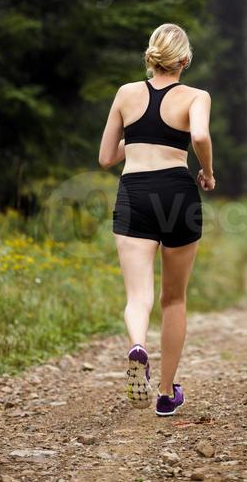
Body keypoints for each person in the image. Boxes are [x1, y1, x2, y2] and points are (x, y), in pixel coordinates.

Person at [98, 23, 215, 415]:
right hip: (177, 193)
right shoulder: (196, 96)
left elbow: (106, 157)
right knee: (174, 298)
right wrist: (209, 172)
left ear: (152, 56)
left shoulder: (125, 94)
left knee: (138, 295)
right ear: (184, 60)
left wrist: (138, 140)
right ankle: (165, 394)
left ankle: (137, 346)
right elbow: (199, 136)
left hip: (134, 193)